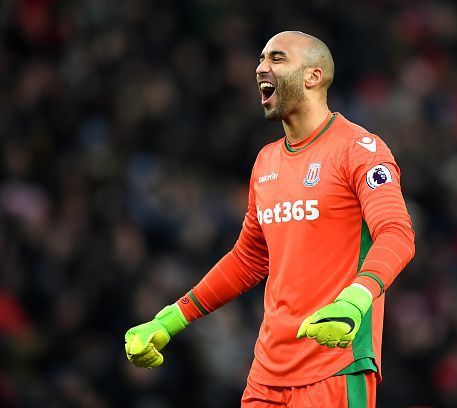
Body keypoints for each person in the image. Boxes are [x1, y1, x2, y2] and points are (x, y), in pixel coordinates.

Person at [124, 31, 415, 407]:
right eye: (261, 59)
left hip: (334, 366)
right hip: (266, 377)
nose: (261, 67)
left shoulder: (359, 150)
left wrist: (354, 300)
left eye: (277, 59)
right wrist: (172, 318)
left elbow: (396, 234)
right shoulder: (266, 162)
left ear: (313, 76)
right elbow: (248, 259)